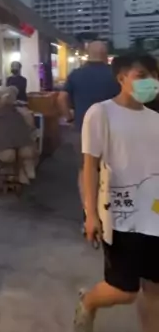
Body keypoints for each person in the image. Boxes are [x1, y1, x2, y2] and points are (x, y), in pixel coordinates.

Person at [75, 52, 159, 332]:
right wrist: (90, 214)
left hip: (155, 215)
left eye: (153, 75)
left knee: (155, 291)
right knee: (124, 290)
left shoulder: (155, 118)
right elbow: (90, 166)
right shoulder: (101, 113)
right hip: (120, 215)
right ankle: (89, 301)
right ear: (121, 77)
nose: (150, 81)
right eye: (141, 75)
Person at [58, 41, 120, 222]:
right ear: (105, 55)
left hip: (82, 130)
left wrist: (69, 117)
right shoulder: (115, 74)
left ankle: (88, 214)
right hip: (113, 130)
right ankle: (110, 213)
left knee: (85, 170)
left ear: (88, 54)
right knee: (112, 170)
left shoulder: (76, 74)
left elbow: (61, 98)